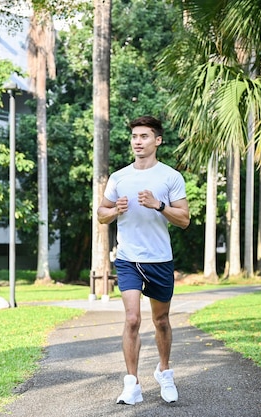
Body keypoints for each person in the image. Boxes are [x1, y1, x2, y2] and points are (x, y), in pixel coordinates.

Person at [97, 115, 190, 405]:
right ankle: (132, 383)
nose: (138, 141)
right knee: (132, 319)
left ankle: (164, 371)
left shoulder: (170, 176)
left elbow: (184, 219)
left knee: (161, 320)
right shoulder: (119, 177)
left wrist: (159, 205)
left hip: (160, 259)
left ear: (157, 141)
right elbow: (101, 213)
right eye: (135, 136)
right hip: (128, 259)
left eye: (144, 136)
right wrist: (114, 212)